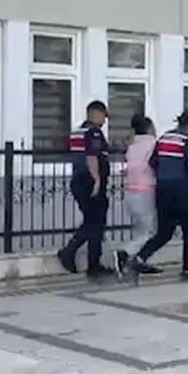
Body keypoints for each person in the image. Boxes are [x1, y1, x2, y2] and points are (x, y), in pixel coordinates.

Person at [133, 110, 188, 280]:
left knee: (164, 232)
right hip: (183, 191)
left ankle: (139, 257)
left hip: (163, 190)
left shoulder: (164, 138)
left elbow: (153, 162)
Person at [58, 100, 111, 279]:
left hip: (79, 181)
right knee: (96, 222)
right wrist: (97, 179)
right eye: (103, 116)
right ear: (96, 113)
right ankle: (73, 254)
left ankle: (91, 262)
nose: (104, 121)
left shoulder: (76, 133)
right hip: (90, 182)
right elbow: (92, 156)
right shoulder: (93, 132)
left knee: (93, 222)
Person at [115, 114, 157, 279]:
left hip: (130, 190)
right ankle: (125, 252)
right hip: (145, 190)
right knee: (150, 231)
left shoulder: (132, 146)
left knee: (140, 229)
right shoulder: (153, 144)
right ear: (149, 128)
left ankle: (134, 263)